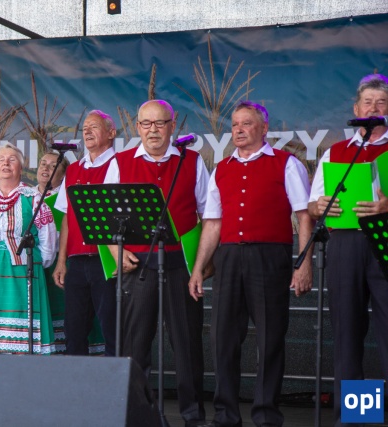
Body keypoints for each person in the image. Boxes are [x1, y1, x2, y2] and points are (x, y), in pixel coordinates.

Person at [189, 101, 313, 427]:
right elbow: (212, 223)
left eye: (246, 124)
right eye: (234, 125)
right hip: (229, 257)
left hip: (270, 257)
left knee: (270, 338)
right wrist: (199, 267)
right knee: (223, 339)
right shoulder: (222, 168)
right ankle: (225, 416)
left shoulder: (286, 164)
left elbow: (304, 216)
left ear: (264, 128)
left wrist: (303, 263)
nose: (239, 130)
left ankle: (266, 415)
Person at [104, 99, 208, 426]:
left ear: (172, 126)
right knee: (134, 346)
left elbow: (209, 215)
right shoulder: (120, 162)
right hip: (137, 265)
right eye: (146, 123)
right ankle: (137, 416)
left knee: (187, 344)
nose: (153, 130)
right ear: (137, 127)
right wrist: (116, 252)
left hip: (181, 265)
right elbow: (104, 215)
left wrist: (202, 265)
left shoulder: (192, 161)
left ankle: (193, 416)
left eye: (160, 123)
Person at [308, 74, 388, 427]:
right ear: (356, 110)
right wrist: (321, 205)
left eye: (381, 103)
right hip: (345, 243)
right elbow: (313, 205)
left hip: (384, 241)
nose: (374, 109)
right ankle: (358, 418)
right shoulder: (337, 152)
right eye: (368, 103)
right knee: (347, 333)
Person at [0, 142, 58, 419]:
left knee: (19, 335)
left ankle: (19, 397)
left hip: (21, 273)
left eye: (12, 159)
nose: (6, 163)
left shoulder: (34, 198)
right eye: (1, 159)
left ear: (21, 166)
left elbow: (48, 243)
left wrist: (35, 264)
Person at [52, 110, 118, 357]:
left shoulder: (120, 164)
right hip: (77, 262)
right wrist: (61, 261)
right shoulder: (74, 169)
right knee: (74, 330)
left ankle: (115, 380)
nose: (87, 132)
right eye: (84, 128)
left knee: (112, 327)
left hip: (107, 260)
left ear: (111, 133)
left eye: (94, 127)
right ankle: (75, 382)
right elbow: (67, 217)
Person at [34, 151, 70, 351]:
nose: (45, 168)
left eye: (53, 165)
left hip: (59, 261)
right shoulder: (27, 195)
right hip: (33, 263)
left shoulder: (65, 199)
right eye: (42, 163)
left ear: (63, 174)